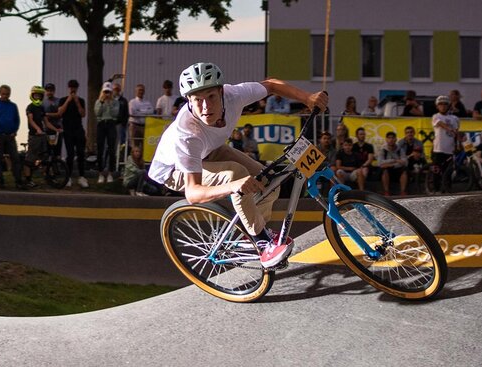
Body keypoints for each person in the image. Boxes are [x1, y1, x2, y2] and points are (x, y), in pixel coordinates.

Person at [149, 62, 327, 268]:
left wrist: (307, 98)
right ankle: (261, 242)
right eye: (198, 100)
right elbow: (193, 193)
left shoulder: (235, 95)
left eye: (211, 97)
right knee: (236, 175)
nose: (206, 107)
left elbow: (271, 85)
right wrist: (234, 186)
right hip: (174, 170)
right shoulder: (187, 135)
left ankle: (249, 235)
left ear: (222, 92)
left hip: (211, 150)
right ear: (188, 100)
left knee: (267, 181)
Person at [0, 85, 21, 189]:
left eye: (7, 94)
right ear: (0, 93)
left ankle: (18, 181)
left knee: (15, 158)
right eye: (3, 94)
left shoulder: (13, 106)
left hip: (10, 135)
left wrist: (14, 131)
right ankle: (0, 182)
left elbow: (17, 120)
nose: (5, 96)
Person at [59, 79, 89, 188]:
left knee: (81, 153)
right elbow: (60, 113)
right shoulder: (63, 100)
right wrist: (68, 101)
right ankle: (68, 177)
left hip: (78, 129)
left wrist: (76, 102)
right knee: (70, 154)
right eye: (71, 87)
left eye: (75, 87)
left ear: (77, 88)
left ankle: (82, 177)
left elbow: (83, 114)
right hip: (67, 130)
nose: (73, 89)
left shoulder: (81, 100)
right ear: (68, 88)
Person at [24, 85, 54, 187]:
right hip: (34, 135)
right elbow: (30, 120)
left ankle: (47, 177)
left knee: (45, 156)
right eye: (36, 95)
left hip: (42, 136)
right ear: (32, 95)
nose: (37, 97)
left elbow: (46, 122)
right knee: (30, 158)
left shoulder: (41, 108)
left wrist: (56, 129)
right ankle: (28, 180)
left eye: (39, 96)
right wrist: (37, 129)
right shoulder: (30, 107)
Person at [431, 95, 460, 193]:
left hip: (450, 149)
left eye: (445, 104)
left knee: (448, 171)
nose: (443, 106)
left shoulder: (454, 118)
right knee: (437, 170)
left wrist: (459, 143)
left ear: (448, 106)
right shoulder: (436, 116)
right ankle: (436, 190)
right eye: (440, 104)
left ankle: (448, 190)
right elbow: (440, 123)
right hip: (438, 149)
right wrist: (449, 128)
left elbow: (456, 132)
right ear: (437, 106)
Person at [95, 83, 120, 183]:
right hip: (101, 124)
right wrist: (102, 102)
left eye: (108, 92)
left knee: (111, 149)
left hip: (111, 124)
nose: (107, 94)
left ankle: (110, 173)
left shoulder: (115, 102)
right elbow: (97, 113)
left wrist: (109, 103)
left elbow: (115, 113)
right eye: (105, 92)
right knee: (100, 148)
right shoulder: (98, 101)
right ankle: (100, 173)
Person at [378, 131, 408, 196]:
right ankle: (386, 191)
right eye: (389, 138)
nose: (391, 140)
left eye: (392, 138)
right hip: (387, 170)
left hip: (397, 169)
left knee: (404, 171)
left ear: (396, 139)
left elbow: (405, 162)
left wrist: (392, 164)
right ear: (386, 139)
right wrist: (395, 160)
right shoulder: (383, 150)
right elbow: (380, 163)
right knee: (384, 170)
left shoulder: (400, 150)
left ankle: (403, 191)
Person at [129, 83, 154, 149]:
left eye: (142, 90)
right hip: (135, 126)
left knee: (144, 146)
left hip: (145, 126)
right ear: (136, 91)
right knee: (135, 146)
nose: (141, 91)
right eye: (139, 90)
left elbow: (151, 112)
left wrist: (140, 111)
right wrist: (145, 112)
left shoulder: (147, 102)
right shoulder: (132, 102)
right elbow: (133, 113)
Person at [112, 82, 130, 147]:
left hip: (119, 124)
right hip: (110, 124)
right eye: (114, 89)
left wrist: (123, 123)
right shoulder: (110, 100)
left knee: (120, 141)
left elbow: (126, 113)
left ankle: (119, 154)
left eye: (117, 89)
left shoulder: (123, 100)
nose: (116, 91)